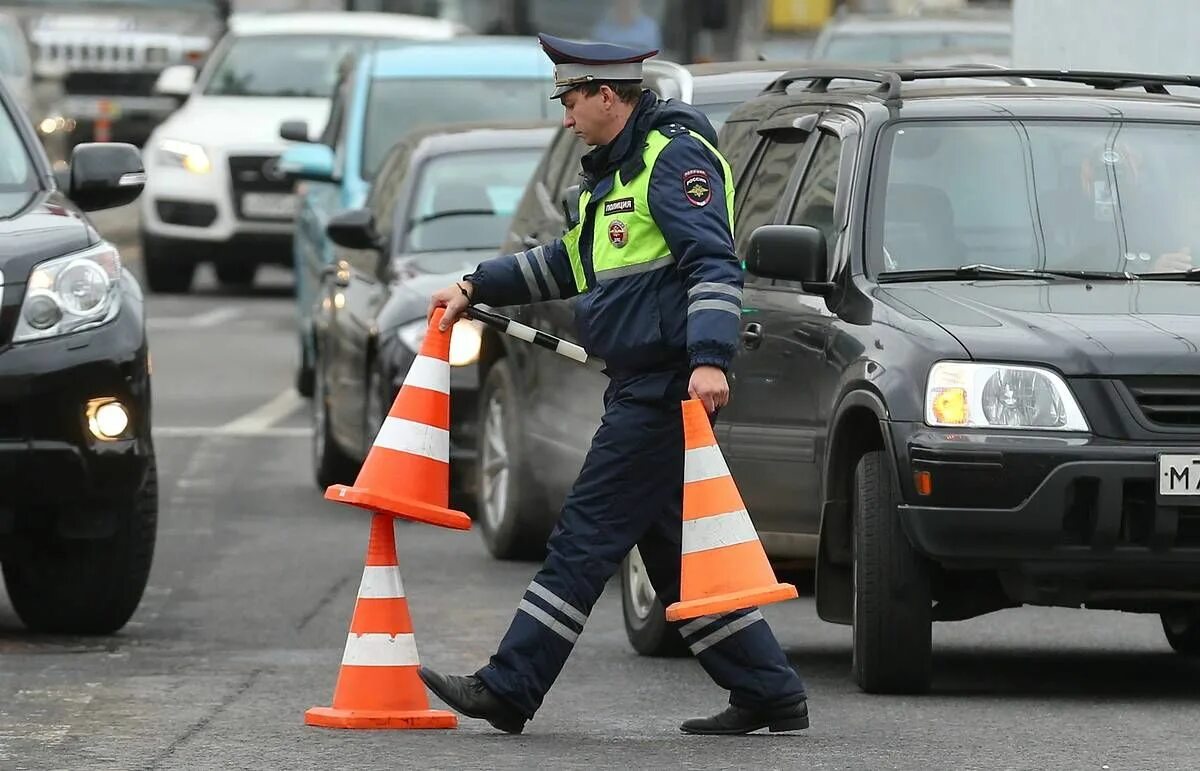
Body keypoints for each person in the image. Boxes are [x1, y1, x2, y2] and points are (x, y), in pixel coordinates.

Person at [418, 33, 809, 736]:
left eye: (571, 100)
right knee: (679, 559)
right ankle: (769, 690)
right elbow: (567, 262)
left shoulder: (673, 157)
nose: (565, 117)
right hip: (638, 384)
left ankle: (510, 686)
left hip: (663, 391)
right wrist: (477, 284)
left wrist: (710, 356)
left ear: (607, 95)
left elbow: (714, 264)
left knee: (583, 538)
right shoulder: (613, 177)